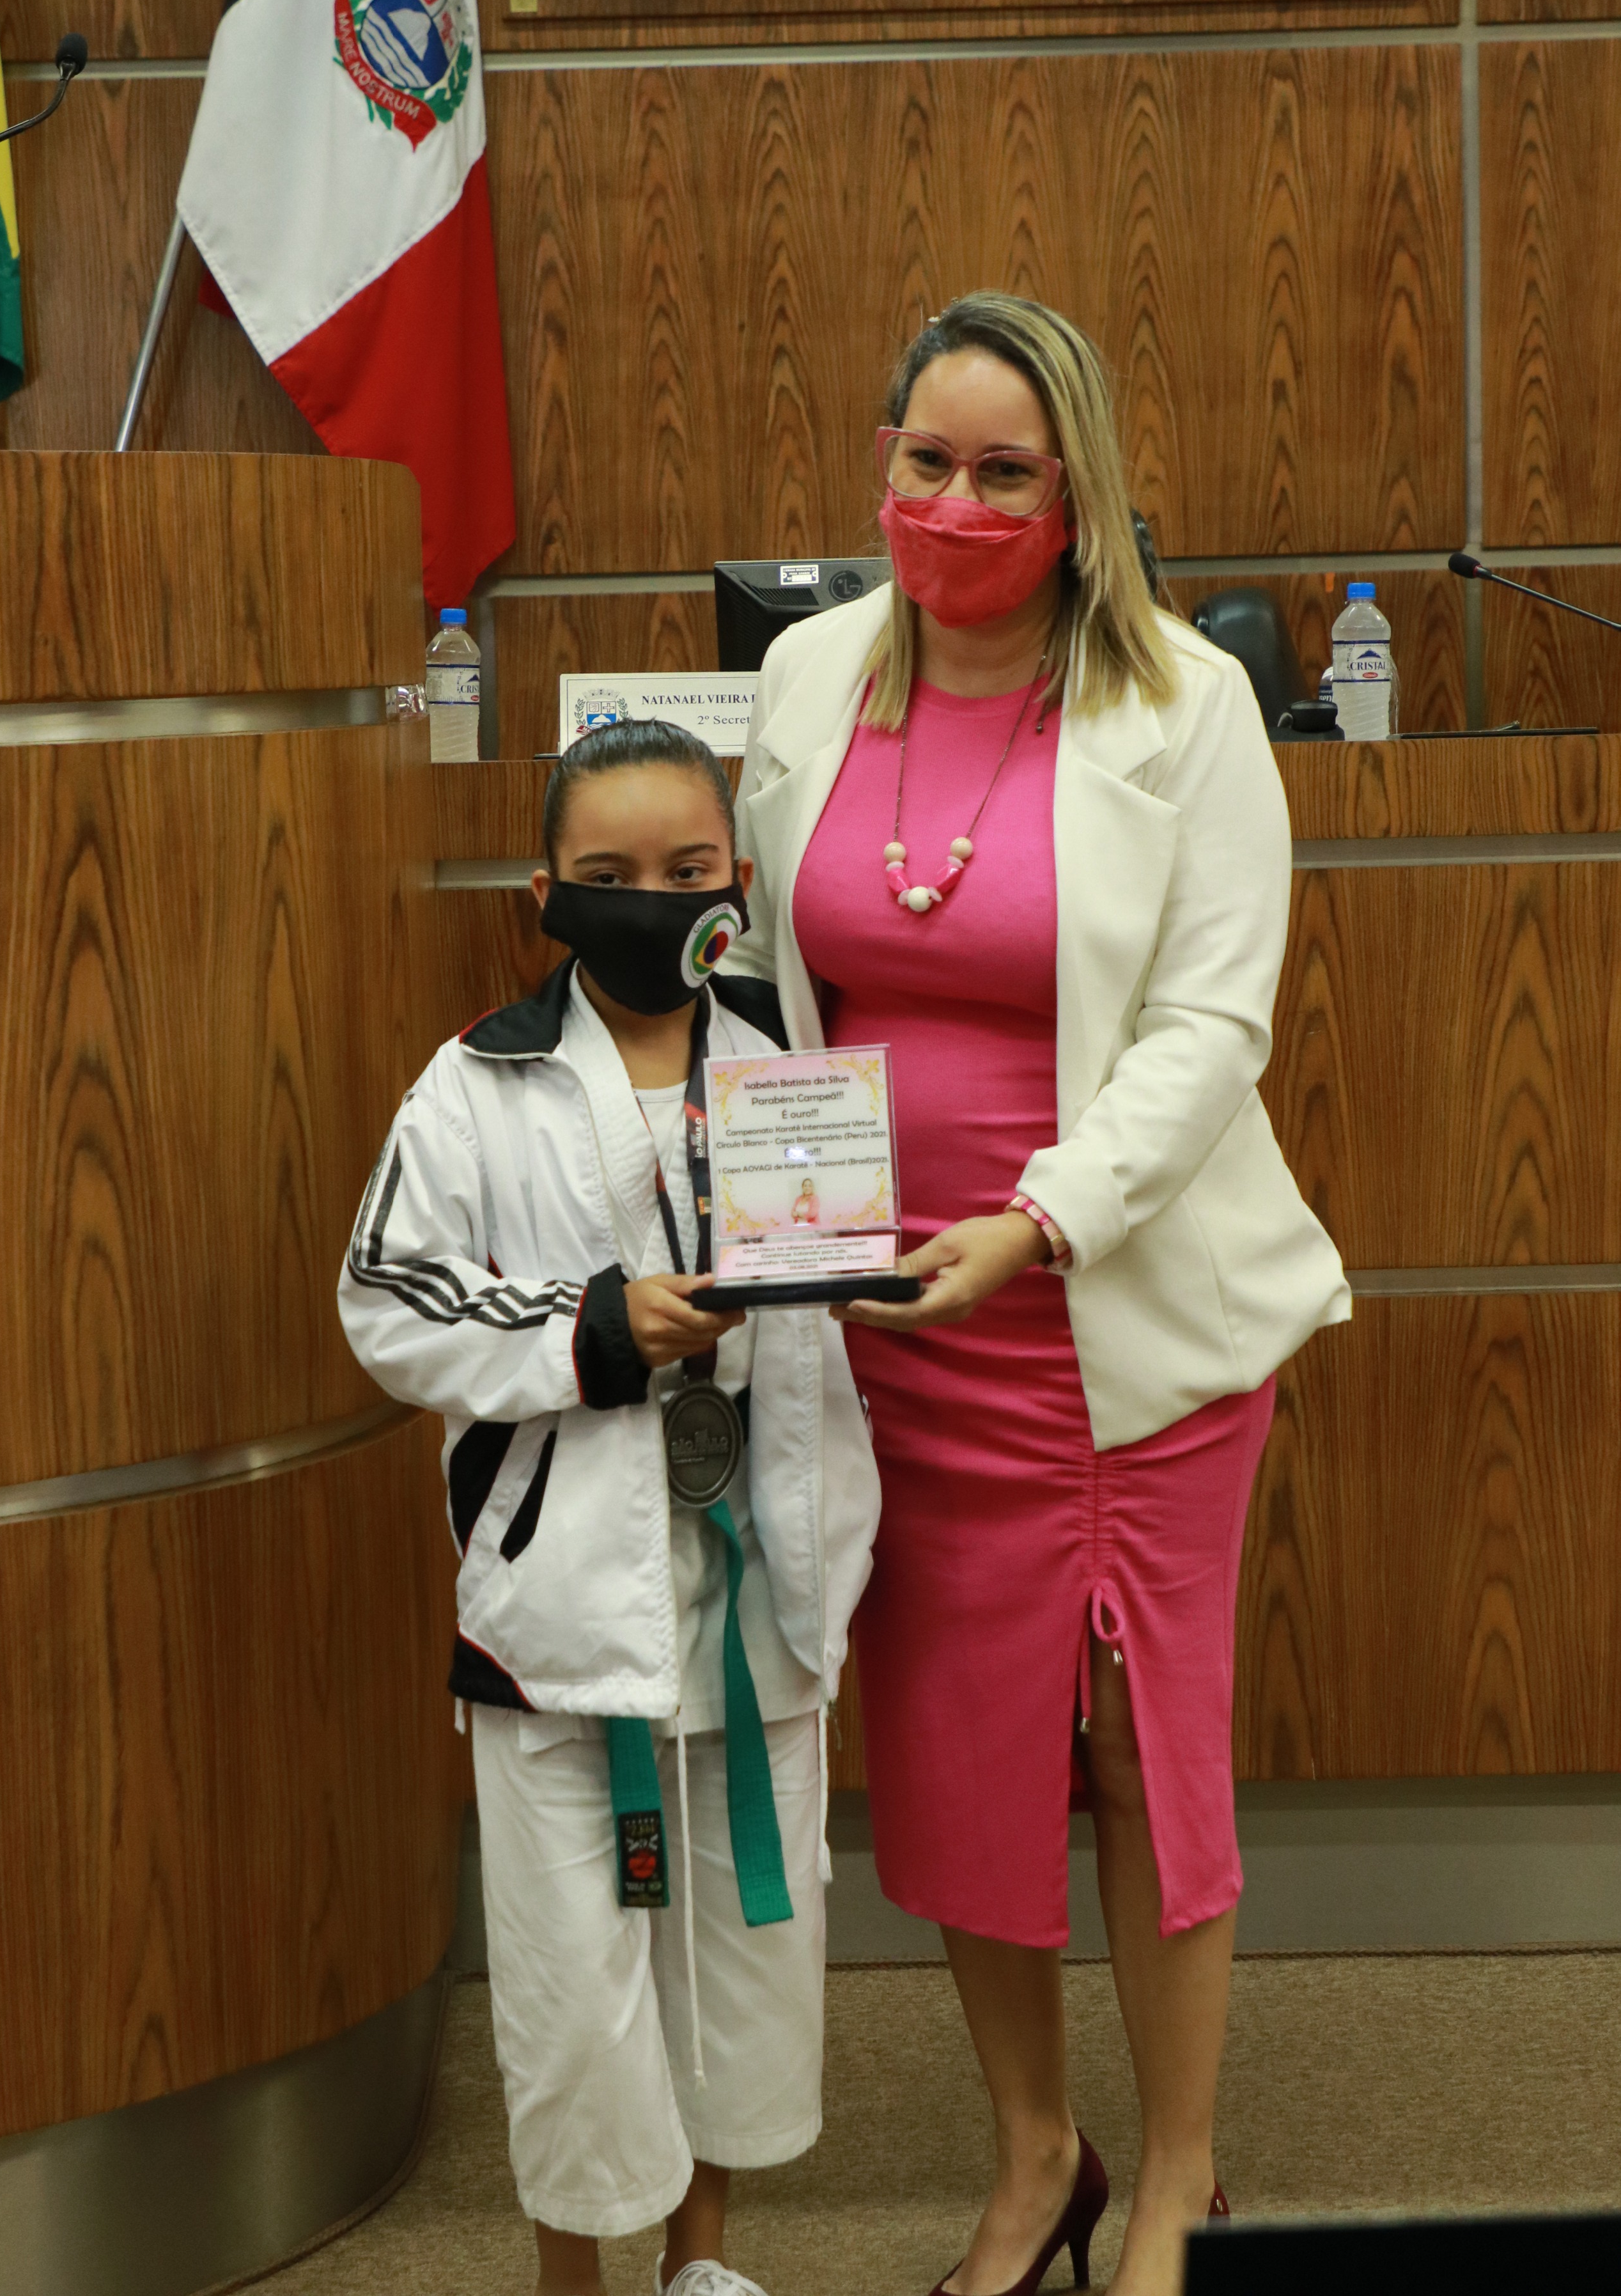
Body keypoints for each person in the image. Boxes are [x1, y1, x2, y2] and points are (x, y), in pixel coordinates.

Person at [724, 293, 1350, 2296]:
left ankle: (1173, 2183)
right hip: (884, 1333)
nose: (956, 502)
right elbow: (782, 978)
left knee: (1139, 1755)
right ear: (879, 465)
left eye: (1004, 473)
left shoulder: (1186, 703)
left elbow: (1210, 1026)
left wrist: (1035, 1220)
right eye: (925, 462)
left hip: (1115, 1326)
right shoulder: (807, 676)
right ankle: (1033, 2160)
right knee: (956, 1749)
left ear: (1078, 496)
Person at [339, 722, 879, 2296]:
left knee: (737, 1966)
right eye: (609, 874)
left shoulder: (791, 1065)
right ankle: (569, 2278)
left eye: (687, 870)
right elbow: (389, 1302)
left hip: (755, 1584)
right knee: (574, 1994)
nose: (652, 899)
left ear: (739, 883)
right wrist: (594, 1326)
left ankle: (698, 2264)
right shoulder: (477, 1082)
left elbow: (841, 1272)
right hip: (562, 1609)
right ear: (546, 896)